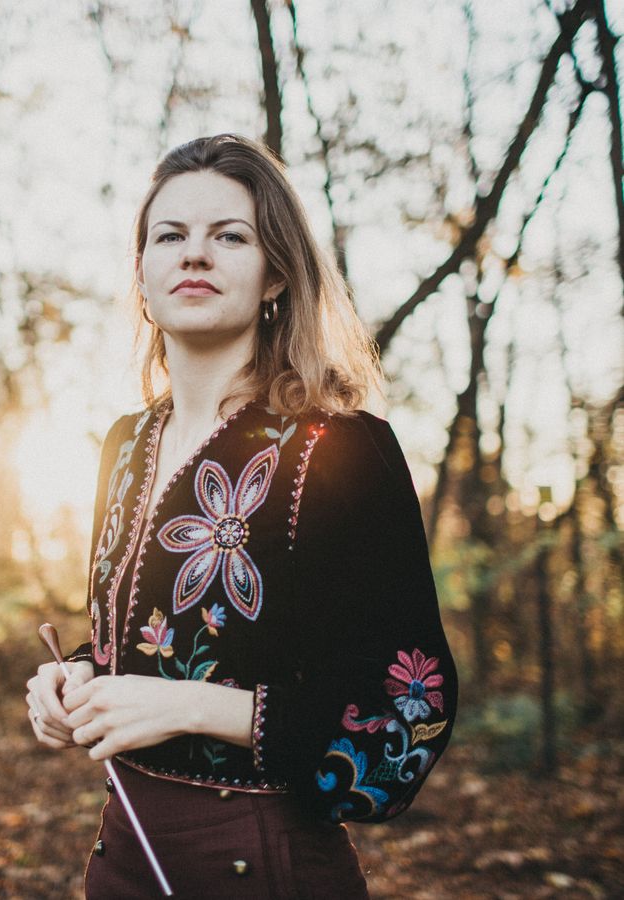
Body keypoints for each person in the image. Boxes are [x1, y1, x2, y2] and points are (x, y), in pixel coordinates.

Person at [25, 133, 457, 899]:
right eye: (170, 236)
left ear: (275, 276)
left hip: (265, 866)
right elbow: (145, 638)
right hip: (122, 860)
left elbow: (406, 711)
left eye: (229, 236)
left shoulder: (341, 447)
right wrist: (80, 676)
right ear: (143, 274)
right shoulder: (124, 446)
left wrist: (193, 706)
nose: (195, 253)